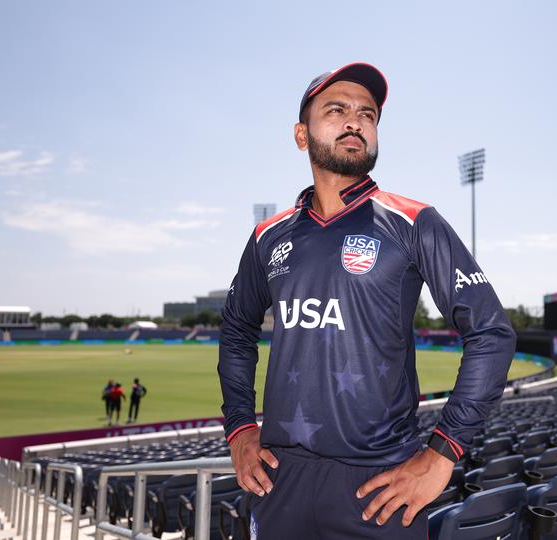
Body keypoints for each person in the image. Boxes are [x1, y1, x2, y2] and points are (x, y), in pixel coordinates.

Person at [218, 62, 516, 539]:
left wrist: (443, 452)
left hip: (378, 488)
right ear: (301, 134)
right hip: (279, 481)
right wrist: (238, 428)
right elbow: (236, 331)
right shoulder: (266, 237)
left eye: (368, 114)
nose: (355, 121)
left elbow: (491, 333)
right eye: (336, 110)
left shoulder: (416, 221)